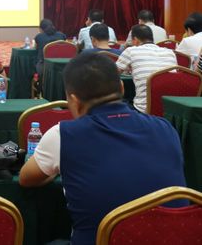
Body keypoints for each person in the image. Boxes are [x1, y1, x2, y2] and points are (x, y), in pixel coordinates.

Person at [19, 52, 186, 245]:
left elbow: (26, 178)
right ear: (122, 87)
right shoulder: (166, 128)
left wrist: (58, 168)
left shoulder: (63, 135)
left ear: (73, 100)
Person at [115, 24, 177, 113]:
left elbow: (112, 75)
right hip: (170, 109)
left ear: (135, 40)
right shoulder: (170, 52)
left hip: (143, 109)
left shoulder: (131, 51)